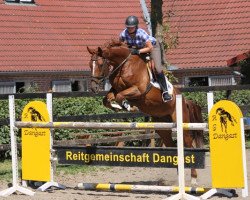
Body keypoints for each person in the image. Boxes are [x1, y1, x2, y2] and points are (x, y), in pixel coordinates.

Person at [119, 15, 172, 102]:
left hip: (153, 48)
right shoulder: (123, 34)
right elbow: (120, 46)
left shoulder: (141, 33)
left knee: (156, 68)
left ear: (136, 27)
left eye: (131, 28)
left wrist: (138, 51)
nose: (129, 29)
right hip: (138, 49)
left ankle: (165, 92)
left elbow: (150, 48)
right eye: (128, 27)